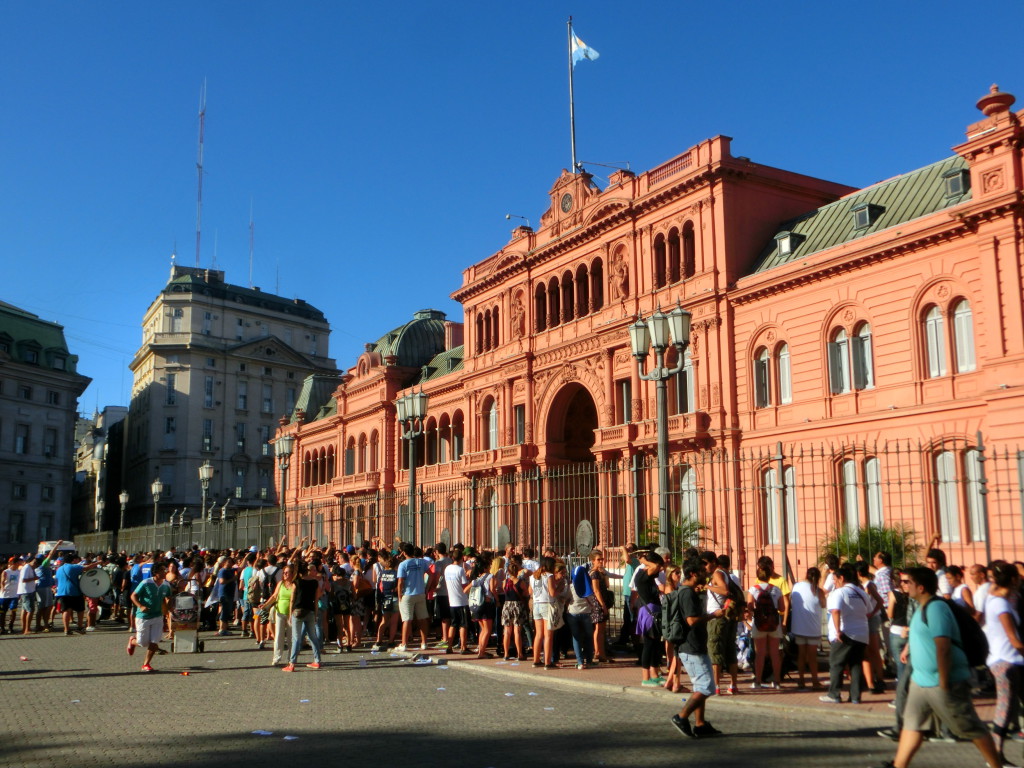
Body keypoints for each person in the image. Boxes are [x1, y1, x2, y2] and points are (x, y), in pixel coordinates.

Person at [873, 567, 1002, 768]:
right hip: (921, 680)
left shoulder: (936, 608)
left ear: (921, 587)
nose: (903, 585)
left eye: (908, 582)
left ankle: (996, 765)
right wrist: (909, 648)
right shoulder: (920, 608)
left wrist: (943, 680)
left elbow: (943, 646)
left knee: (969, 726)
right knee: (913, 725)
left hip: (942, 680)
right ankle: (899, 765)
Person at [671, 560, 723, 739]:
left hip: (696, 646)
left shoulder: (689, 591)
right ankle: (681, 717)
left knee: (700, 686)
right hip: (691, 646)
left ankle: (700, 724)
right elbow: (691, 620)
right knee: (707, 687)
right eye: (702, 571)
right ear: (693, 574)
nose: (705, 573)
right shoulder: (687, 594)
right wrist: (713, 615)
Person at [982, 562, 1024, 765]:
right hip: (1004, 662)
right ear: (1014, 580)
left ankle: (997, 755)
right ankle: (995, 756)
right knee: (1004, 710)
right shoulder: (1000, 604)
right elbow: (1014, 639)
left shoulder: (998, 599)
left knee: (1007, 709)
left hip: (1010, 661)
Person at [820, 563, 871, 704]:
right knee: (856, 665)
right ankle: (855, 696)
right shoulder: (861, 592)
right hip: (862, 634)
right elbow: (869, 611)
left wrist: (837, 631)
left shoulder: (839, 592)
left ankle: (834, 694)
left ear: (841, 578)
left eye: (835, 580)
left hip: (845, 633)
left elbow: (835, 611)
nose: (834, 583)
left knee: (836, 663)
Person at [703, 551, 740, 695]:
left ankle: (716, 686)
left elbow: (724, 590)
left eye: (706, 563)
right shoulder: (724, 573)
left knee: (715, 651)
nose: (704, 567)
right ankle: (733, 685)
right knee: (730, 651)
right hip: (727, 617)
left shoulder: (717, 574)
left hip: (717, 618)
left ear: (713, 562)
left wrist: (707, 587)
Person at [126, 561, 172, 672]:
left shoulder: (166, 584)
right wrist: (140, 606)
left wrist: (169, 607)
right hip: (143, 616)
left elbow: (169, 597)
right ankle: (132, 641)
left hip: (158, 616)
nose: (165, 572)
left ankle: (146, 664)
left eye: (165, 570)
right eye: (162, 570)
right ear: (156, 572)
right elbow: (133, 595)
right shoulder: (146, 583)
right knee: (142, 643)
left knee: (154, 641)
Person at [747, 563, 783, 690]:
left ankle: (758, 681)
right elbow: (782, 608)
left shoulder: (753, 589)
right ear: (769, 576)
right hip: (774, 624)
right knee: (774, 653)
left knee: (760, 653)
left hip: (759, 623)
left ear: (758, 575)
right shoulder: (776, 589)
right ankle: (777, 681)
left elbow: (750, 607)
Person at [790, 566, 825, 689]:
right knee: (812, 657)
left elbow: (792, 601)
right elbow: (824, 604)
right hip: (813, 628)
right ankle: (815, 681)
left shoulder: (797, 586)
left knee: (801, 655)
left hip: (799, 627)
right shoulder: (818, 591)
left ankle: (801, 680)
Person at [284, 561, 323, 672]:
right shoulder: (314, 583)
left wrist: (290, 613)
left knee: (296, 638)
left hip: (298, 610)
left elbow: (292, 599)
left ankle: (292, 663)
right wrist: (315, 613)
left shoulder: (296, 582)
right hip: (310, 611)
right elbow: (316, 600)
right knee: (313, 636)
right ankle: (317, 660)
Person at [635, 550, 665, 686]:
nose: (661, 569)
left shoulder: (650, 578)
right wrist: (644, 560)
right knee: (648, 644)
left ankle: (654, 674)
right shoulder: (642, 575)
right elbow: (654, 567)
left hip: (655, 611)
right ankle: (645, 677)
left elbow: (656, 567)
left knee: (656, 645)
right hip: (649, 612)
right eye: (659, 566)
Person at [55, 552, 101, 635]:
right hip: (74, 592)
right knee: (80, 610)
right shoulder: (73, 567)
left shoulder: (59, 569)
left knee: (66, 611)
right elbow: (86, 568)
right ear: (72, 560)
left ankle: (66, 629)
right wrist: (97, 563)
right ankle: (80, 627)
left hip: (61, 592)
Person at [395, 543, 430, 652]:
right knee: (422, 619)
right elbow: (430, 573)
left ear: (404, 553)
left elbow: (400, 581)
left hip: (408, 593)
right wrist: (426, 587)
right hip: (420, 592)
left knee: (406, 619)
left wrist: (399, 594)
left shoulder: (403, 564)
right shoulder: (421, 562)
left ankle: (404, 643)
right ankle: (424, 643)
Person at [566, 564, 595, 670]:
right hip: (586, 613)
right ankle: (589, 660)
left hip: (573, 613)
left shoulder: (571, 586)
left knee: (576, 638)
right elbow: (592, 599)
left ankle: (580, 662)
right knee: (588, 637)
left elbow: (566, 598)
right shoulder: (588, 585)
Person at [444, 547, 472, 654]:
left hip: (452, 599)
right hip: (461, 600)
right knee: (463, 624)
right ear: (461, 559)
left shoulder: (447, 569)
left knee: (453, 624)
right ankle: (463, 647)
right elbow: (464, 586)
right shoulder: (460, 570)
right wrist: (471, 582)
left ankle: (449, 646)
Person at [499, 560, 528, 661]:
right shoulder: (521, 582)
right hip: (517, 605)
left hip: (507, 605)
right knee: (517, 631)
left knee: (507, 631)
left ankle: (506, 654)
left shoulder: (505, 582)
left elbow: (504, 591)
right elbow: (525, 593)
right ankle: (519, 653)